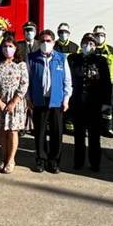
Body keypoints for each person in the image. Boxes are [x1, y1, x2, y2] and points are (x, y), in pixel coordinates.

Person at [26, 29, 73, 173]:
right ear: (39, 43)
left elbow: (67, 81)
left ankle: (53, 161)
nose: (45, 43)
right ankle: (41, 159)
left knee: (56, 132)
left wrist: (66, 99)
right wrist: (28, 98)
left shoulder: (61, 58)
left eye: (48, 41)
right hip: (39, 100)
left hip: (57, 102)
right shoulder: (32, 57)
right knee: (39, 132)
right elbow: (26, 80)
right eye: (43, 41)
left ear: (53, 42)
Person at [67, 33, 111, 172]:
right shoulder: (73, 59)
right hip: (78, 102)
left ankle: (95, 163)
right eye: (85, 43)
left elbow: (106, 83)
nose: (88, 46)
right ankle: (78, 162)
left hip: (94, 104)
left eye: (91, 44)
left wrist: (106, 102)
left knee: (94, 136)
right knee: (79, 135)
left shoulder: (101, 61)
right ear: (81, 45)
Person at [0, 36, 29, 174]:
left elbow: (24, 84)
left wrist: (13, 102)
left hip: (15, 104)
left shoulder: (21, 65)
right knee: (2, 131)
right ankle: (4, 158)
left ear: (16, 48)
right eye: (5, 46)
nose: (7, 49)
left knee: (12, 131)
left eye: (10, 46)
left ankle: (11, 160)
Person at [92, 24, 113, 138]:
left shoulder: (111, 50)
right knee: (94, 106)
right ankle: (94, 128)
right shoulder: (90, 48)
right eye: (97, 35)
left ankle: (108, 128)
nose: (99, 37)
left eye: (102, 35)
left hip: (108, 84)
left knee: (108, 107)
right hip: (94, 83)